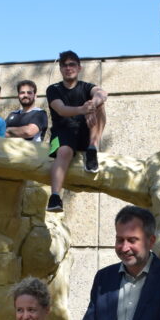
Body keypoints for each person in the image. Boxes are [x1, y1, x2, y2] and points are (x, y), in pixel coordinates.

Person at [44, 50, 108, 213]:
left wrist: (92, 105)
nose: (68, 68)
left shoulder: (86, 87)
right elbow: (61, 109)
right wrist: (83, 109)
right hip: (62, 133)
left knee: (99, 105)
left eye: (72, 64)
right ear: (60, 69)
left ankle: (92, 148)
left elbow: (102, 93)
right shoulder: (53, 89)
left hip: (86, 132)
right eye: (64, 65)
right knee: (64, 152)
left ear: (79, 68)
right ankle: (55, 197)